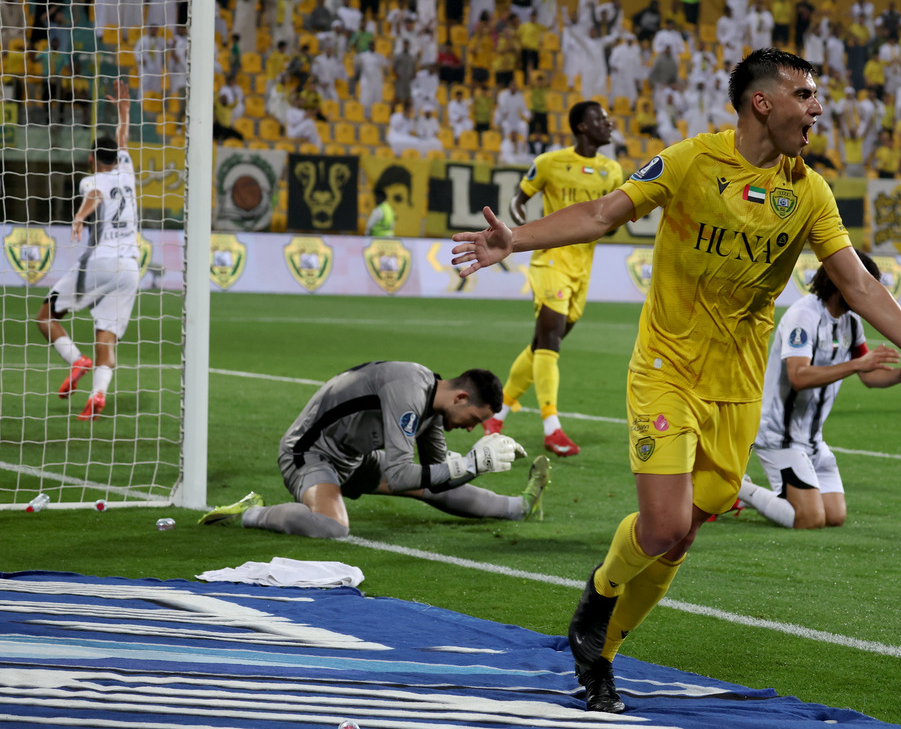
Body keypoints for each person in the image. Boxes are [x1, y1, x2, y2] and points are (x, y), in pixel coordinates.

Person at [449, 48, 901, 713]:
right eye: (806, 94)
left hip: (737, 387)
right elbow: (602, 215)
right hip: (666, 369)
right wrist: (519, 240)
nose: (817, 108)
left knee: (685, 530)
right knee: (663, 524)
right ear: (762, 102)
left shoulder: (810, 192)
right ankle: (599, 609)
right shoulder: (689, 162)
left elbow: (856, 282)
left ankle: (603, 649)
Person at [199, 363, 549, 539]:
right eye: (474, 418)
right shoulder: (409, 392)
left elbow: (438, 476)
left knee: (434, 483)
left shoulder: (433, 404)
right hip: (310, 452)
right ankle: (251, 513)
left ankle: (519, 506)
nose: (472, 428)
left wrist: (471, 468)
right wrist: (467, 465)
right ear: (460, 398)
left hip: (353, 456)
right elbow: (398, 476)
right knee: (333, 526)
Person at [736, 253, 901, 529]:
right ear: (841, 283)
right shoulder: (803, 316)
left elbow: (868, 375)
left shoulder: (850, 321)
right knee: (809, 518)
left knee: (834, 516)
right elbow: (799, 377)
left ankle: (757, 493)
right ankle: (736, 489)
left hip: (812, 438)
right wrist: (855, 364)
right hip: (779, 434)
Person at [484, 101, 624, 457]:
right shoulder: (550, 163)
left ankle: (496, 413)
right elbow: (519, 200)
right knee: (550, 343)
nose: (609, 125)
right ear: (581, 127)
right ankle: (552, 426)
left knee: (542, 345)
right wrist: (519, 231)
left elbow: (611, 220)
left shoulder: (612, 171)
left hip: (582, 268)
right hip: (550, 262)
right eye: (601, 120)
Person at [34, 81, 138, 421]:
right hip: (131, 269)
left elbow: (94, 196)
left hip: (102, 260)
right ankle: (97, 396)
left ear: (93, 158)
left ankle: (76, 360)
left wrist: (79, 217)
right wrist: (124, 112)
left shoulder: (92, 180)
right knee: (106, 335)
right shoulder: (127, 172)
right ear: (117, 158)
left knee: (46, 317)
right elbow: (122, 142)